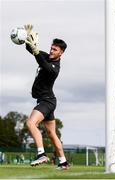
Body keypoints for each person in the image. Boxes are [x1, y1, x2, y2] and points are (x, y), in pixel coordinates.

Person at [24, 24, 69, 170]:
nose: (51, 50)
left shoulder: (55, 68)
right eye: (51, 47)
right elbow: (30, 49)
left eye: (55, 49)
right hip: (47, 101)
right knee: (51, 133)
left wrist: (37, 51)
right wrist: (28, 38)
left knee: (31, 123)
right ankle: (63, 162)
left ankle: (41, 153)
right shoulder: (47, 57)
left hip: (46, 101)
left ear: (61, 53)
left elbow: (42, 62)